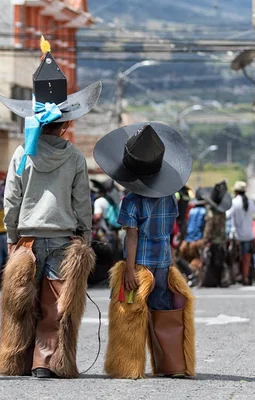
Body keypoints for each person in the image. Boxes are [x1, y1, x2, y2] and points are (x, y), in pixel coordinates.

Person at [0, 37, 100, 379]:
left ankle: (18, 360)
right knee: (55, 304)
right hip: (61, 240)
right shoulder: (74, 157)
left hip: (26, 239)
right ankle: (46, 362)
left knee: (20, 304)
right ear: (66, 123)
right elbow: (81, 202)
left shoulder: (21, 153)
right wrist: (84, 235)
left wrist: (12, 235)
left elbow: (11, 198)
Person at [95, 122, 195, 379]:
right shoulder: (169, 197)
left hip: (139, 266)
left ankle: (128, 366)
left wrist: (128, 268)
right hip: (162, 265)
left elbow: (131, 235)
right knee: (164, 313)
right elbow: (169, 232)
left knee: (130, 315)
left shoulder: (131, 200)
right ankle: (172, 365)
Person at [199, 180, 232, 287]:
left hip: (213, 241)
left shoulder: (211, 213)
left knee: (211, 262)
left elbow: (208, 228)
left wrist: (205, 240)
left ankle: (211, 281)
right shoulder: (222, 213)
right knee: (219, 262)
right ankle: (220, 280)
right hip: (221, 240)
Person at [228, 181, 255, 286]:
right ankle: (245, 277)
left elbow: (227, 214)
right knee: (247, 258)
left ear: (236, 191)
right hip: (249, 234)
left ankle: (236, 277)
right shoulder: (250, 202)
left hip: (236, 235)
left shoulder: (234, 202)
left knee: (235, 257)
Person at [179, 191, 207, 274]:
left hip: (187, 241)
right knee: (198, 259)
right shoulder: (204, 211)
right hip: (197, 240)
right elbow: (203, 227)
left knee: (188, 259)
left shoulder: (192, 211)